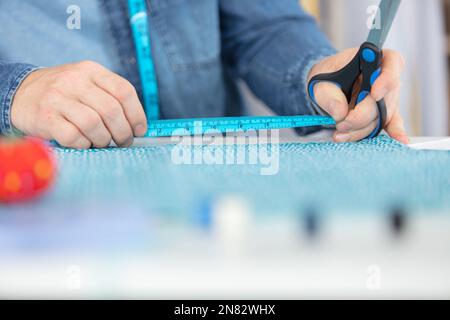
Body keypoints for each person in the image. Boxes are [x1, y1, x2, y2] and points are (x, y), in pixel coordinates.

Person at [0, 0, 408, 149]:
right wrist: (16, 92)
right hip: (43, 210)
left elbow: (263, 25)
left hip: (223, 201)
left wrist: (320, 73)